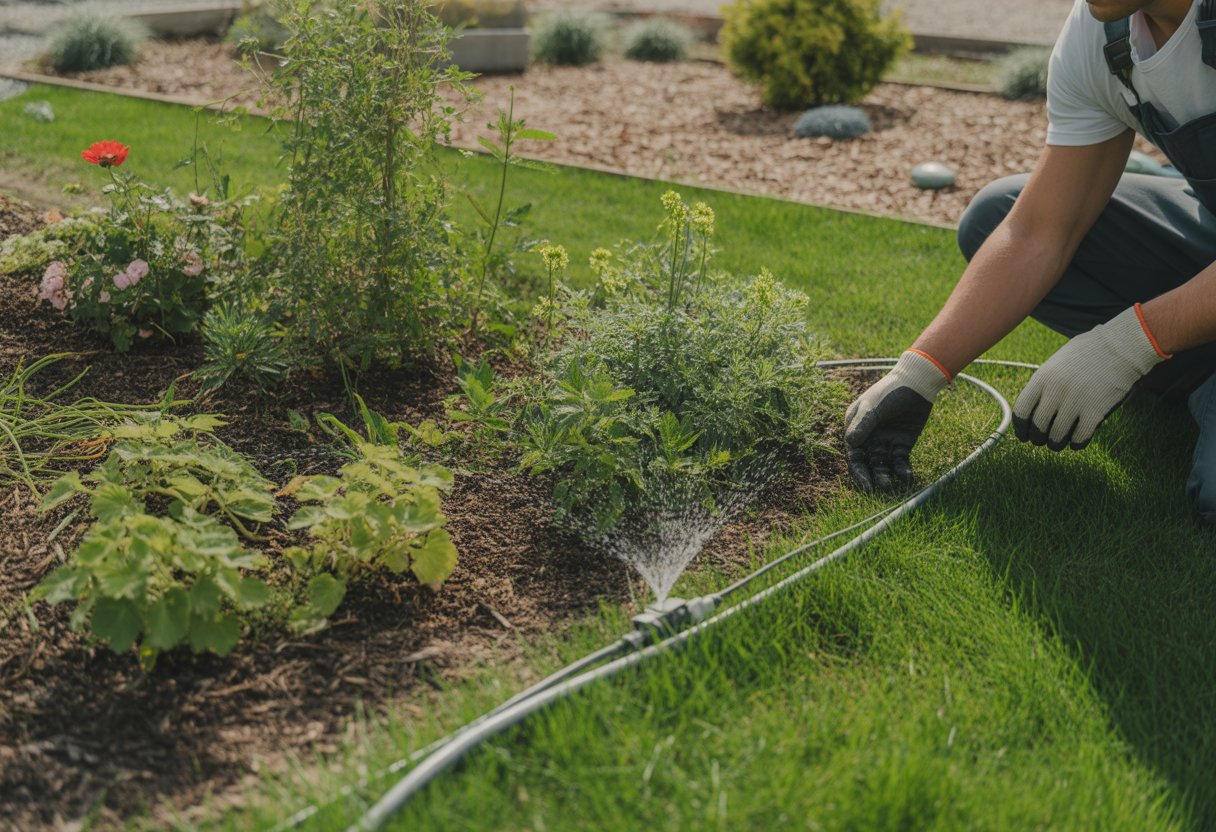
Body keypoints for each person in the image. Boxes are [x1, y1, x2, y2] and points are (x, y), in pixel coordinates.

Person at [844, 0, 1216, 524]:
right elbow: (1040, 230)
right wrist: (922, 369)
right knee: (994, 216)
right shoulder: (1100, 35)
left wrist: (1130, 343)